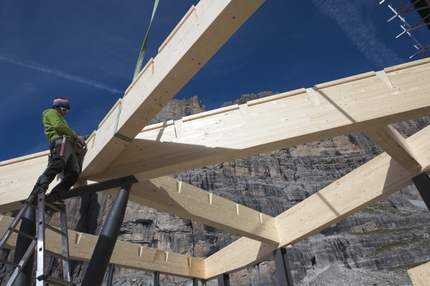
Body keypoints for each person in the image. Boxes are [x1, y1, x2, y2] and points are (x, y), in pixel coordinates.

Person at [32, 97, 85, 204]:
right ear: (57, 107)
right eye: (64, 110)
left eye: (67, 111)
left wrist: (76, 139)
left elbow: (64, 129)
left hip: (68, 144)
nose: (65, 113)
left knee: (74, 174)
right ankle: (39, 189)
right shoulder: (50, 112)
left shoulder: (60, 117)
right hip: (60, 141)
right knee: (57, 163)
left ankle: (54, 196)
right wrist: (75, 136)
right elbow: (58, 126)